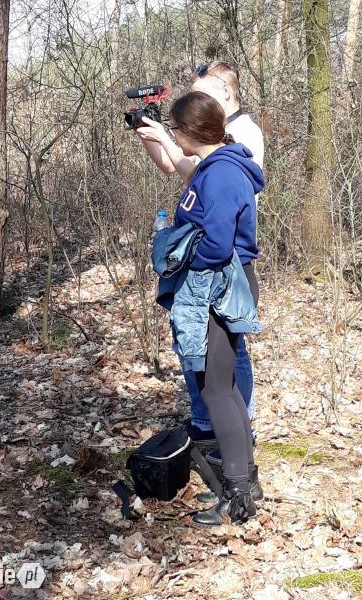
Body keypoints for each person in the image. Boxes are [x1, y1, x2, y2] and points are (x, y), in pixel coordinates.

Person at [136, 91, 264, 526]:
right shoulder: (213, 166)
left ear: (191, 132)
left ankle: (238, 497)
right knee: (222, 387)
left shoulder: (222, 173)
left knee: (216, 390)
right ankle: (246, 482)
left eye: (175, 130)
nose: (174, 137)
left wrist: (180, 255)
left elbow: (218, 244)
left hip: (221, 286)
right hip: (219, 283)